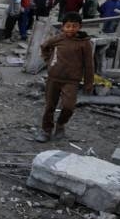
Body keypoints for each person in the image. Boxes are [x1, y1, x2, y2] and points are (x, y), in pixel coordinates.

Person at [36, 12, 94, 143]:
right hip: (54, 78)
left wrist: (88, 83)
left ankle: (61, 125)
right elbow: (44, 47)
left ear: (80, 27)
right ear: (63, 27)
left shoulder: (84, 43)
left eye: (74, 26)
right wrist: (48, 61)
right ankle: (46, 130)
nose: (71, 29)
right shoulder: (58, 39)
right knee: (50, 106)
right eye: (68, 26)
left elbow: (89, 64)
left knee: (68, 106)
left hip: (71, 81)